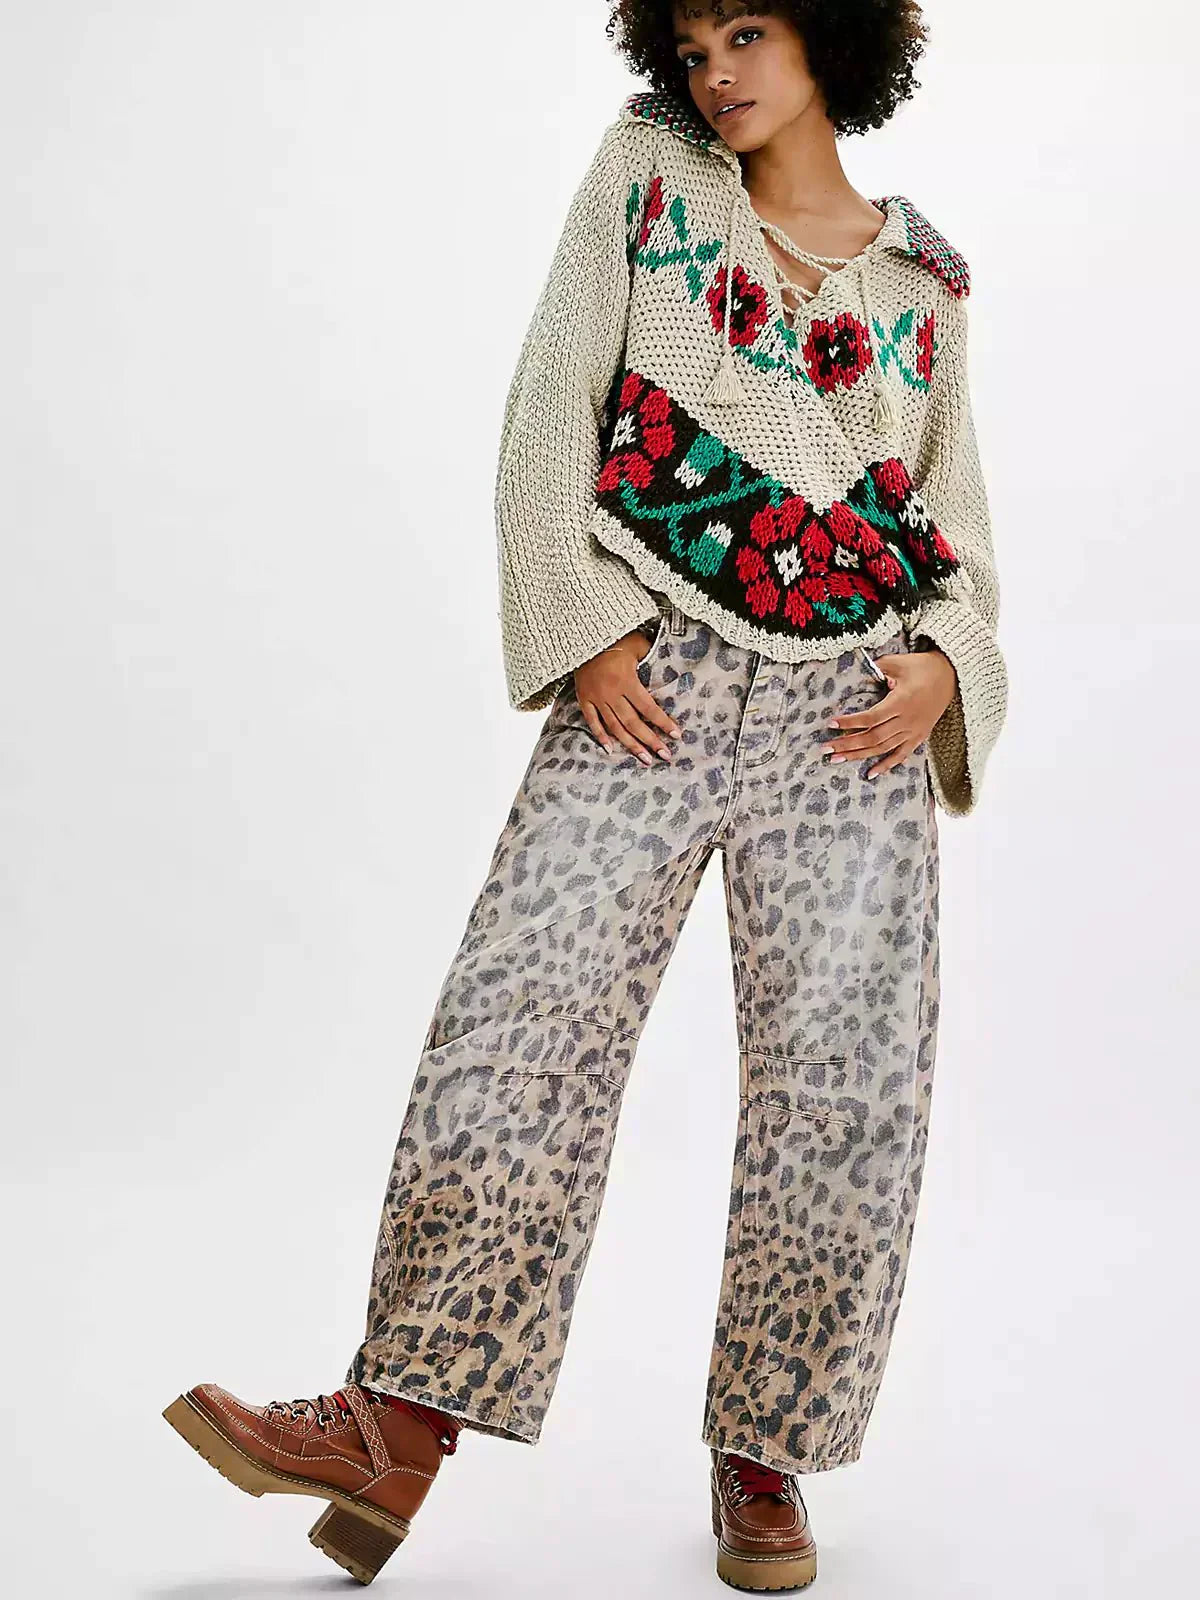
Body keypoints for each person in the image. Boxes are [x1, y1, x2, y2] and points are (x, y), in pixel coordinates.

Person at [162, 2, 1008, 1591]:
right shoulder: (648, 174)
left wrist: (949, 667)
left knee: (846, 1086)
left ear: (832, 33)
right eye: (691, 48)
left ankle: (768, 1457)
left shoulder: (930, 281)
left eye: (746, 31)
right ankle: (393, 1425)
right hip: (650, 676)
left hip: (854, 718)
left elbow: (952, 521)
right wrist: (586, 625)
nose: (717, 74)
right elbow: (553, 402)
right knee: (520, 1018)